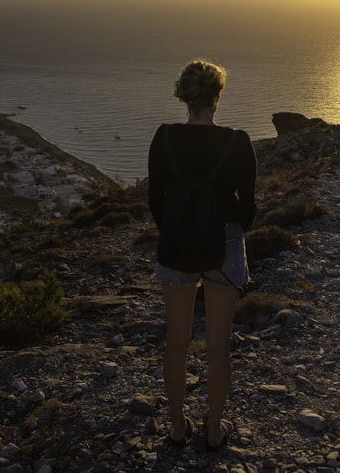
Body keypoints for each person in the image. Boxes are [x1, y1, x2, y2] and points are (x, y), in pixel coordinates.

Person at [148, 59, 257, 451]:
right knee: (217, 344)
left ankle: (177, 426)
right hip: (224, 244)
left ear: (184, 96)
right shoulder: (237, 142)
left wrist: (179, 226)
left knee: (176, 341)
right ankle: (213, 430)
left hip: (176, 242)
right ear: (217, 96)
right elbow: (248, 210)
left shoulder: (163, 138)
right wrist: (225, 225)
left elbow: (154, 201)